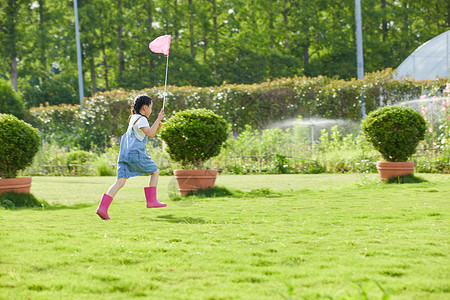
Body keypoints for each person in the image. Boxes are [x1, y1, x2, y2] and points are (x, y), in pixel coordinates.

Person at [96, 94, 166, 220]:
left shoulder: (134, 118)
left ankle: (102, 208)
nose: (151, 110)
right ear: (144, 108)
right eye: (150, 108)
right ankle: (151, 201)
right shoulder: (142, 119)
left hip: (124, 155)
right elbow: (149, 133)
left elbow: (148, 133)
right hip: (136, 154)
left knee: (120, 182)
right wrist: (158, 119)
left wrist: (157, 127)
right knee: (155, 172)